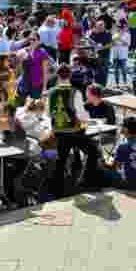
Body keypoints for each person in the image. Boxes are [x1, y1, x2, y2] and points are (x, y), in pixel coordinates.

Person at [47, 64, 100, 196]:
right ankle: (86, 181)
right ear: (70, 76)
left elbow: (49, 114)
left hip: (58, 132)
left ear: (57, 76)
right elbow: (81, 114)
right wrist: (89, 120)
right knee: (93, 151)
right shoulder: (74, 92)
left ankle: (57, 190)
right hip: (73, 131)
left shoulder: (51, 92)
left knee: (60, 161)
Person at [108, 116, 136, 190]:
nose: (121, 129)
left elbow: (114, 167)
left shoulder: (123, 146)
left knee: (105, 171)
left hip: (130, 184)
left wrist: (103, 162)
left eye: (122, 127)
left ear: (126, 129)